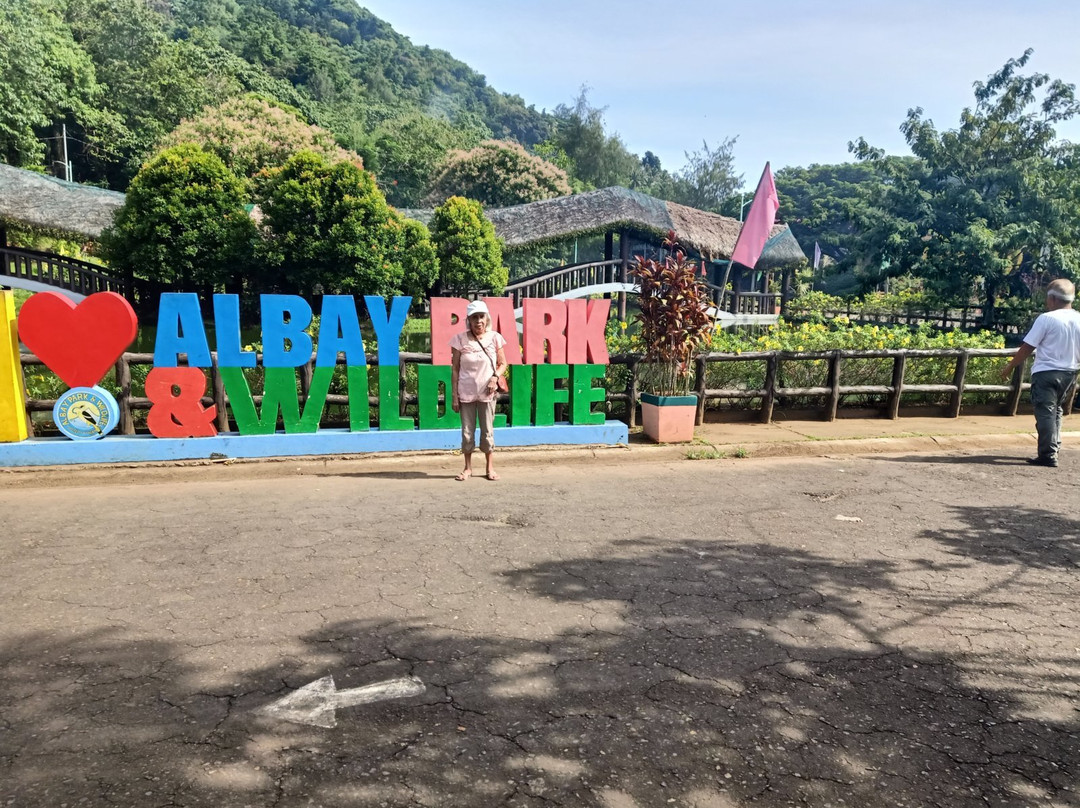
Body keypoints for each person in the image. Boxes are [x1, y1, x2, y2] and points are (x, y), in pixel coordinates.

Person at [1000, 278, 1080, 467]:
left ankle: (1048, 454)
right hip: (1070, 372)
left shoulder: (1047, 319)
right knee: (1056, 410)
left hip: (1046, 372)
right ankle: (1054, 447)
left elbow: (1028, 347)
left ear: (1052, 299)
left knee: (1045, 412)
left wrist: (1010, 366)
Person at [450, 300, 507, 481]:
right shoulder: (459, 339)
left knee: (487, 431)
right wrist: (454, 396)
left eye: (481, 317)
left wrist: (495, 377)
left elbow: (503, 363)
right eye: (474, 317)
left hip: (487, 393)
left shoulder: (495, 338)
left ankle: (490, 467)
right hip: (465, 392)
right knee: (467, 432)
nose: (478, 321)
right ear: (469, 320)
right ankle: (467, 468)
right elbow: (455, 369)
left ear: (487, 318)